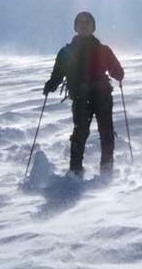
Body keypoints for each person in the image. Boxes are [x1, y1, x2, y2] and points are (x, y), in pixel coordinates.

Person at [42, 10, 125, 174]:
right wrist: (51, 84)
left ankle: (86, 170)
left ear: (93, 27)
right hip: (85, 97)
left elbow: (117, 72)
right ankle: (80, 169)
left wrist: (118, 73)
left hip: (98, 96)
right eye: (81, 22)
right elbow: (57, 74)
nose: (84, 25)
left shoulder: (93, 51)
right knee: (85, 132)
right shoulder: (72, 52)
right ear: (76, 27)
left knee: (101, 131)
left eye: (87, 23)